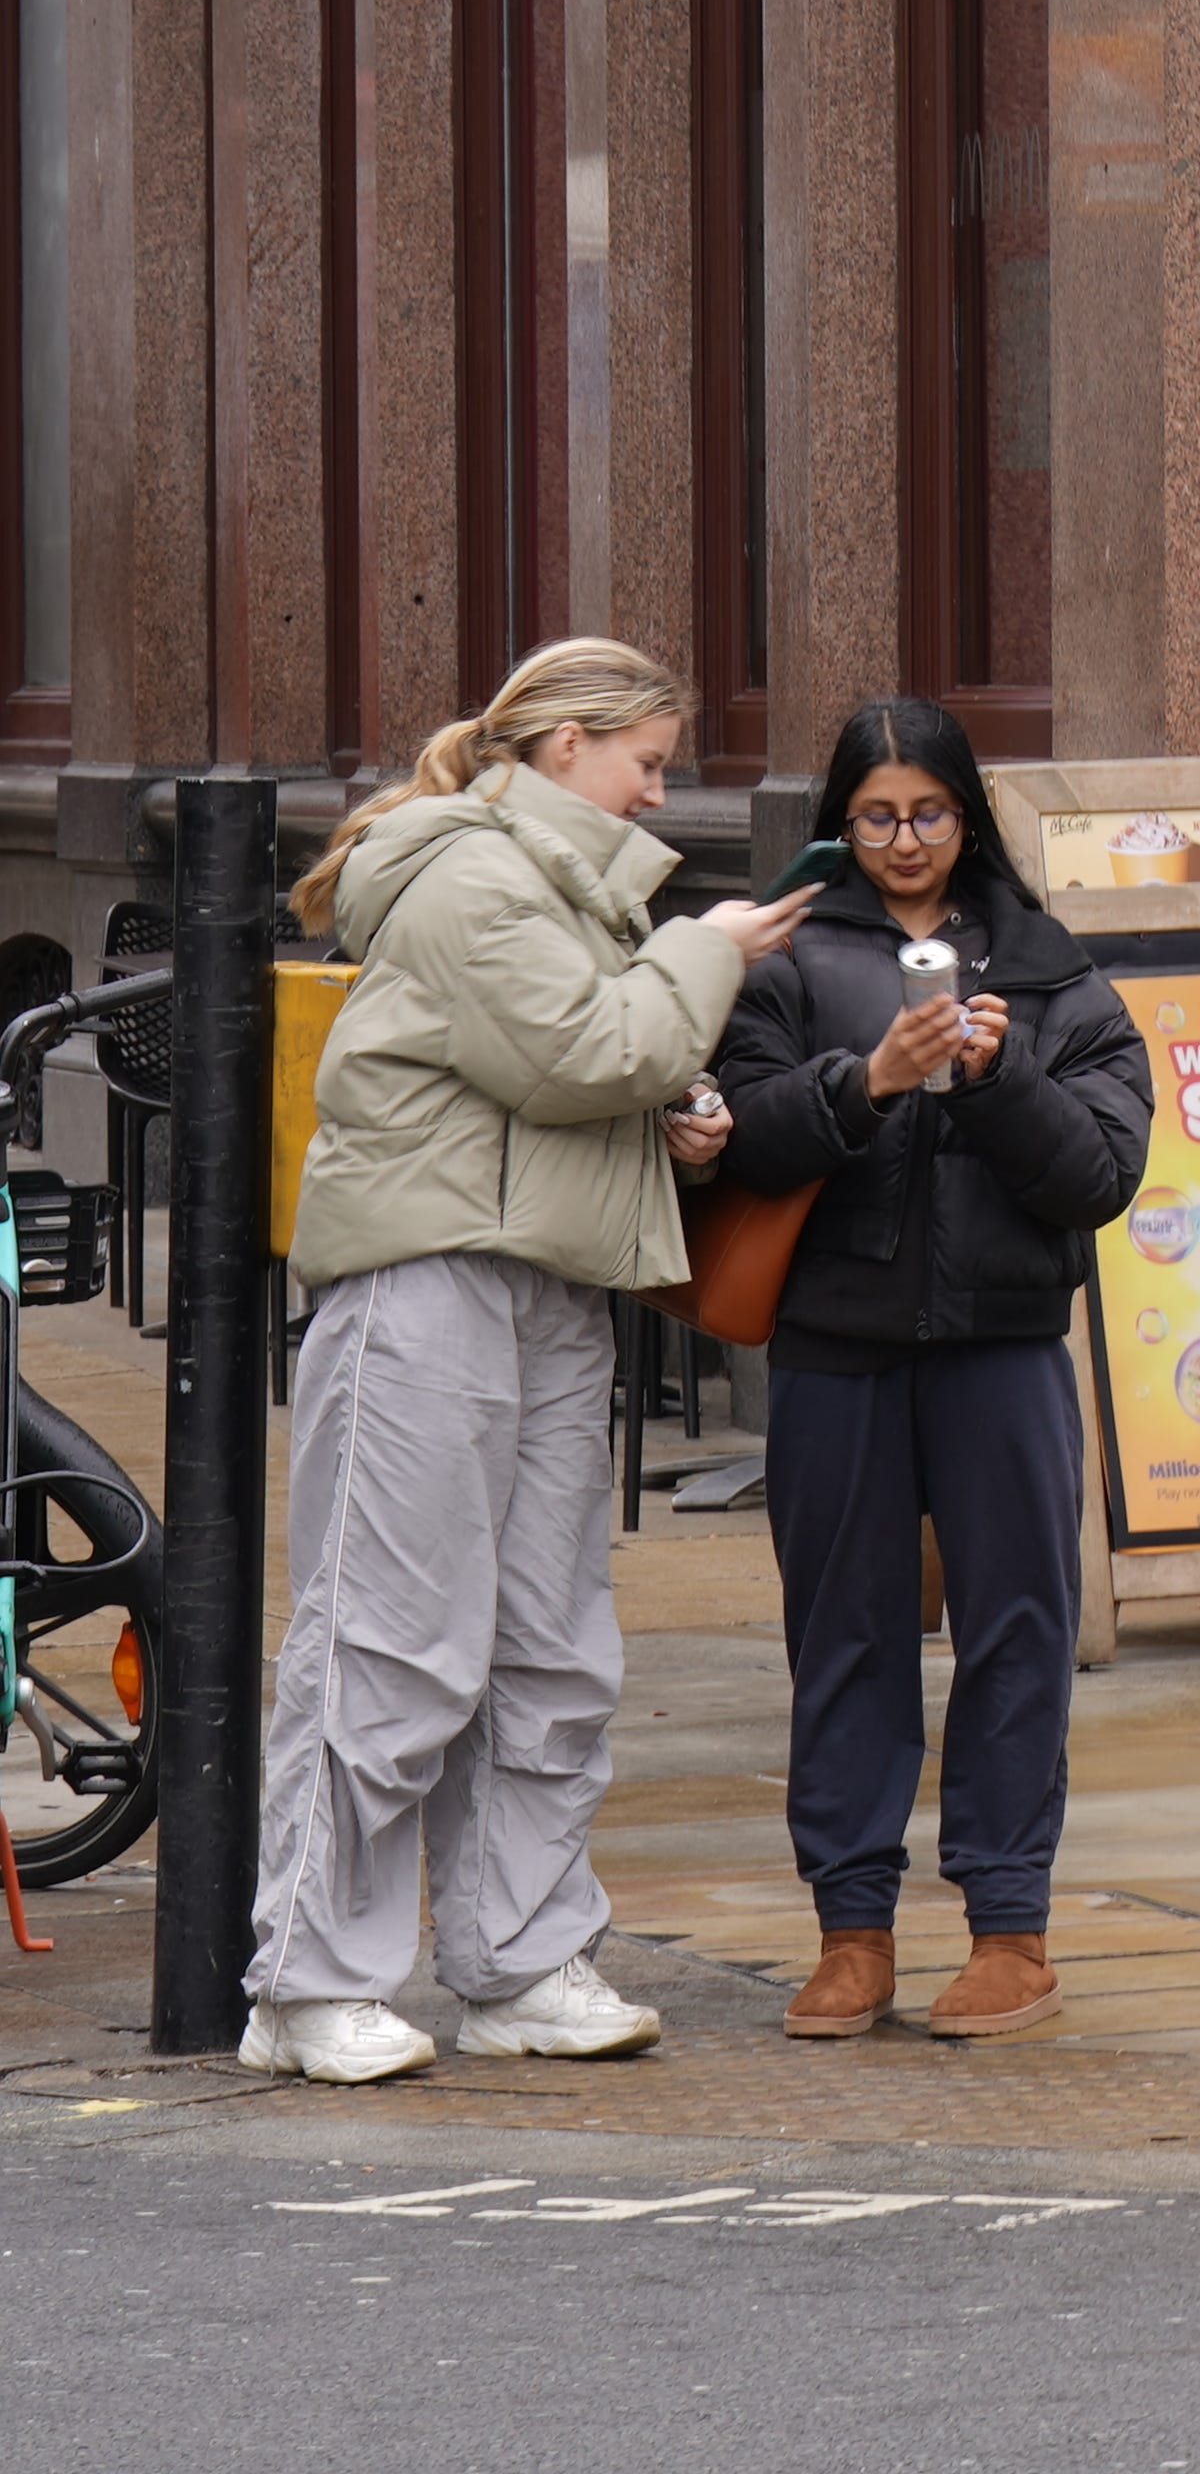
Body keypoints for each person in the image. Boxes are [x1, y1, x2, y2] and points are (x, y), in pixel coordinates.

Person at [247, 638, 816, 2083]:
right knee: (391, 1636)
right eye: (649, 761)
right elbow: (577, 1053)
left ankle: (517, 1964)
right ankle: (310, 1986)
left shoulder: (560, 887)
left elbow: (577, 1077)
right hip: (425, 1283)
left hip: (545, 1282)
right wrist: (706, 955)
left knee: (548, 1652)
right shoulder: (466, 874)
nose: (661, 793)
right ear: (568, 745)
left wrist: (668, 1114)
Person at [707, 696, 1153, 2043]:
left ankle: (1010, 1931)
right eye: (877, 817)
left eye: (930, 813)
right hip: (836, 1348)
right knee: (841, 1632)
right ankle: (853, 1931)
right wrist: (872, 1082)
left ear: (971, 817)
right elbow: (736, 1138)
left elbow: (1102, 1173)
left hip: (1004, 1349)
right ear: (838, 826)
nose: (905, 841)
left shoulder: (1055, 973)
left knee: (1019, 1628)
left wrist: (996, 1076)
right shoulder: (784, 960)